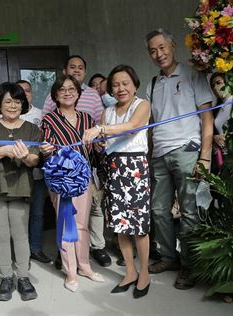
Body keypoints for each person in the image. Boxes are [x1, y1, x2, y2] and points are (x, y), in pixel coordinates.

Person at [145, 28, 214, 290]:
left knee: (188, 211)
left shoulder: (193, 75)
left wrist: (205, 157)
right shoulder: (153, 83)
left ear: (173, 46)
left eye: (162, 47)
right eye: (152, 50)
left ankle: (190, 265)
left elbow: (207, 119)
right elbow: (151, 124)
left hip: (187, 150)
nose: (158, 54)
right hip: (159, 154)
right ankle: (168, 257)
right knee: (159, 210)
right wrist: (149, 154)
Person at [83, 65, 151, 298]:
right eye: (115, 85)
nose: (121, 88)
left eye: (125, 83)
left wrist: (101, 130)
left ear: (134, 84)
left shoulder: (141, 105)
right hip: (113, 168)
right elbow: (105, 140)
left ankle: (144, 274)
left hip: (135, 168)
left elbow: (132, 127)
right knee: (120, 225)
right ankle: (130, 271)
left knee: (138, 226)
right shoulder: (107, 111)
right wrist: (101, 143)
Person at [43, 55, 111, 268]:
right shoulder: (49, 120)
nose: (67, 93)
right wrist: (46, 151)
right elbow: (47, 152)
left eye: (71, 90)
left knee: (82, 224)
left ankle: (84, 265)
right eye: (62, 90)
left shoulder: (87, 119)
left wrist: (99, 146)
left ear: (78, 93)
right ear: (55, 95)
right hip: (61, 179)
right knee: (65, 223)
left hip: (84, 178)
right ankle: (69, 269)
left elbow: (94, 148)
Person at [0, 82, 41, 301]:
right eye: (8, 101)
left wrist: (24, 157)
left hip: (21, 187)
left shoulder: (32, 129)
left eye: (18, 101)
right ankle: (6, 277)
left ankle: (22, 277)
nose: (13, 105)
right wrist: (3, 150)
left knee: (21, 235)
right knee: (1, 235)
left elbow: (34, 160)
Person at [16, 79, 51, 264]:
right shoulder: (6, 116)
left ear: (32, 94)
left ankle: (35, 248)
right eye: (19, 91)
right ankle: (21, 252)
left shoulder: (42, 114)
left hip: (38, 173)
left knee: (37, 213)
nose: (24, 94)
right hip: (16, 175)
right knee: (19, 214)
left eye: (27, 91)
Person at [209, 73, 232, 173]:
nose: (215, 88)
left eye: (218, 83)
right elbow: (211, 132)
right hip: (223, 155)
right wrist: (214, 137)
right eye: (213, 86)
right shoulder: (215, 109)